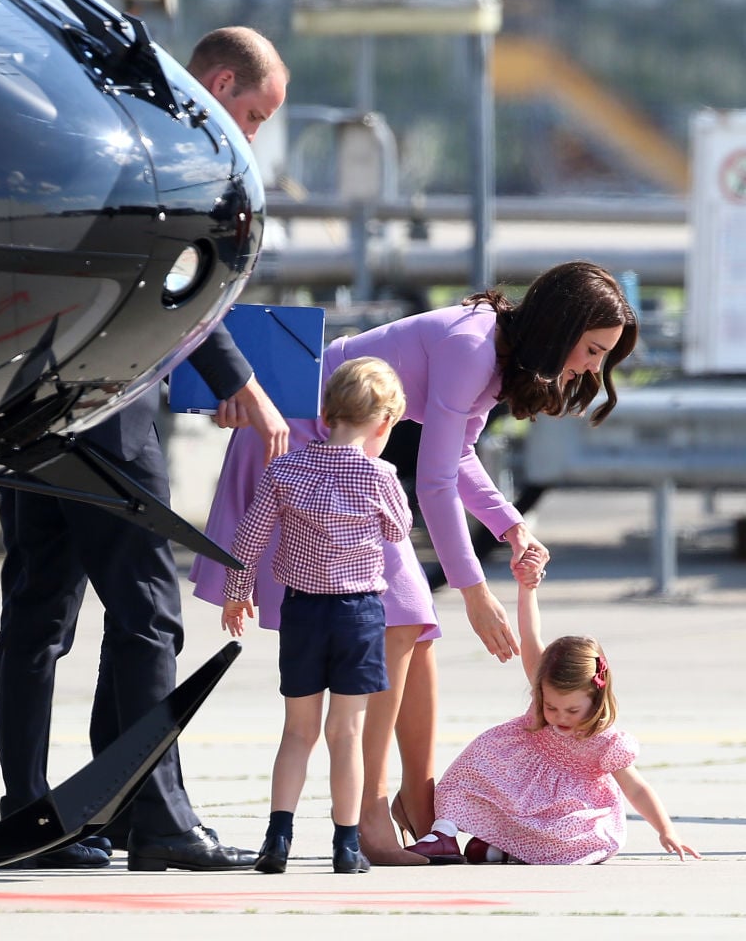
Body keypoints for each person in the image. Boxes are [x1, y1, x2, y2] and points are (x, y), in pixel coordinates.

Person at [190, 260, 639, 866]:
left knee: (415, 626)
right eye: (591, 349)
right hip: (307, 440)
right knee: (401, 617)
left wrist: (510, 525)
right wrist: (475, 591)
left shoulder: (493, 350)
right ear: (562, 327)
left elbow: (457, 458)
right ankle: (370, 817)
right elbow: (433, 481)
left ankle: (419, 806)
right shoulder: (473, 346)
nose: (591, 367)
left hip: (344, 452)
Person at [0, 26, 290, 871]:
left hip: (27, 409)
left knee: (37, 617)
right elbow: (175, 273)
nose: (253, 133)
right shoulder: (165, 146)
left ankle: (35, 817)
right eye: (256, 113)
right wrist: (241, 381)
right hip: (108, 413)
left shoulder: (87, 121)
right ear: (221, 82)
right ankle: (154, 819)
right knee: (148, 615)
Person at [222, 358, 412, 875]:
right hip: (359, 615)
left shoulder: (284, 471)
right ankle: (346, 846)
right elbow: (398, 531)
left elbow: (250, 536)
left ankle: (277, 839)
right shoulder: (380, 475)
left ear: (325, 412)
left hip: (302, 611)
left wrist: (237, 593)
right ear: (384, 422)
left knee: (297, 732)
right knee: (345, 734)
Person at [406, 551, 701, 865]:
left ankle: (499, 850)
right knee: (466, 775)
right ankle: (443, 834)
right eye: (551, 707)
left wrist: (666, 830)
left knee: (590, 838)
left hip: (564, 807)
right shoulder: (543, 685)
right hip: (516, 777)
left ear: (597, 697)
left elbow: (637, 788)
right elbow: (530, 634)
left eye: (572, 711)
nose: (560, 717)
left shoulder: (604, 741)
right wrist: (527, 588)